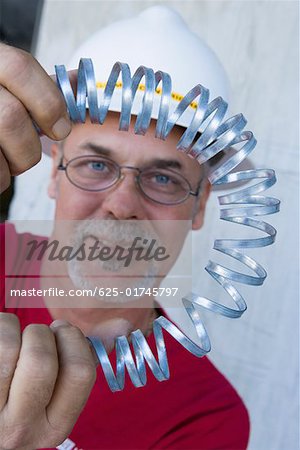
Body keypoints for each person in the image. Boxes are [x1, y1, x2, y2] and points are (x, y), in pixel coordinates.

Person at [0, 6, 250, 450]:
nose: (121, 205)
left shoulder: (205, 416)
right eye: (96, 164)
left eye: (163, 178)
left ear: (199, 205)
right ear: (54, 174)